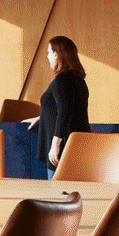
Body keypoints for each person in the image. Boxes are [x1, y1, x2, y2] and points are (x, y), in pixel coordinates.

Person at [24, 36, 89, 168]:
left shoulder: (63, 78)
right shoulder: (78, 79)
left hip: (64, 146)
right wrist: (40, 117)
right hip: (76, 144)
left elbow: (65, 111)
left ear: (56, 54)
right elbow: (68, 108)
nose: (47, 56)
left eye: (49, 52)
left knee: (58, 188)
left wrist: (55, 145)